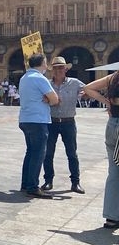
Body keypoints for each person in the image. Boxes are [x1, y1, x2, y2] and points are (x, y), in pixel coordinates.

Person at [41, 57, 86, 194]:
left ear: (66, 69)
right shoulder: (47, 84)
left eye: (61, 67)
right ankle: (48, 180)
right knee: (48, 153)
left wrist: (85, 94)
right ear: (52, 70)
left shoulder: (75, 83)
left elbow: (88, 90)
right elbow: (40, 99)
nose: (58, 70)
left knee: (72, 153)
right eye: (55, 68)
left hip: (68, 122)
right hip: (52, 122)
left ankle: (75, 182)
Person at [18, 54, 59, 198]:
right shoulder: (39, 78)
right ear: (42, 64)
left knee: (30, 152)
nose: (47, 66)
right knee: (38, 153)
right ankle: (32, 186)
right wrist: (48, 99)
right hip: (38, 120)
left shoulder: (24, 78)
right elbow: (55, 100)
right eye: (46, 63)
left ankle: (25, 183)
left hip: (25, 119)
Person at [83, 70, 119, 228]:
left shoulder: (114, 77)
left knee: (114, 173)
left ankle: (111, 216)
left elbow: (88, 88)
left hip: (112, 126)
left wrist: (107, 102)